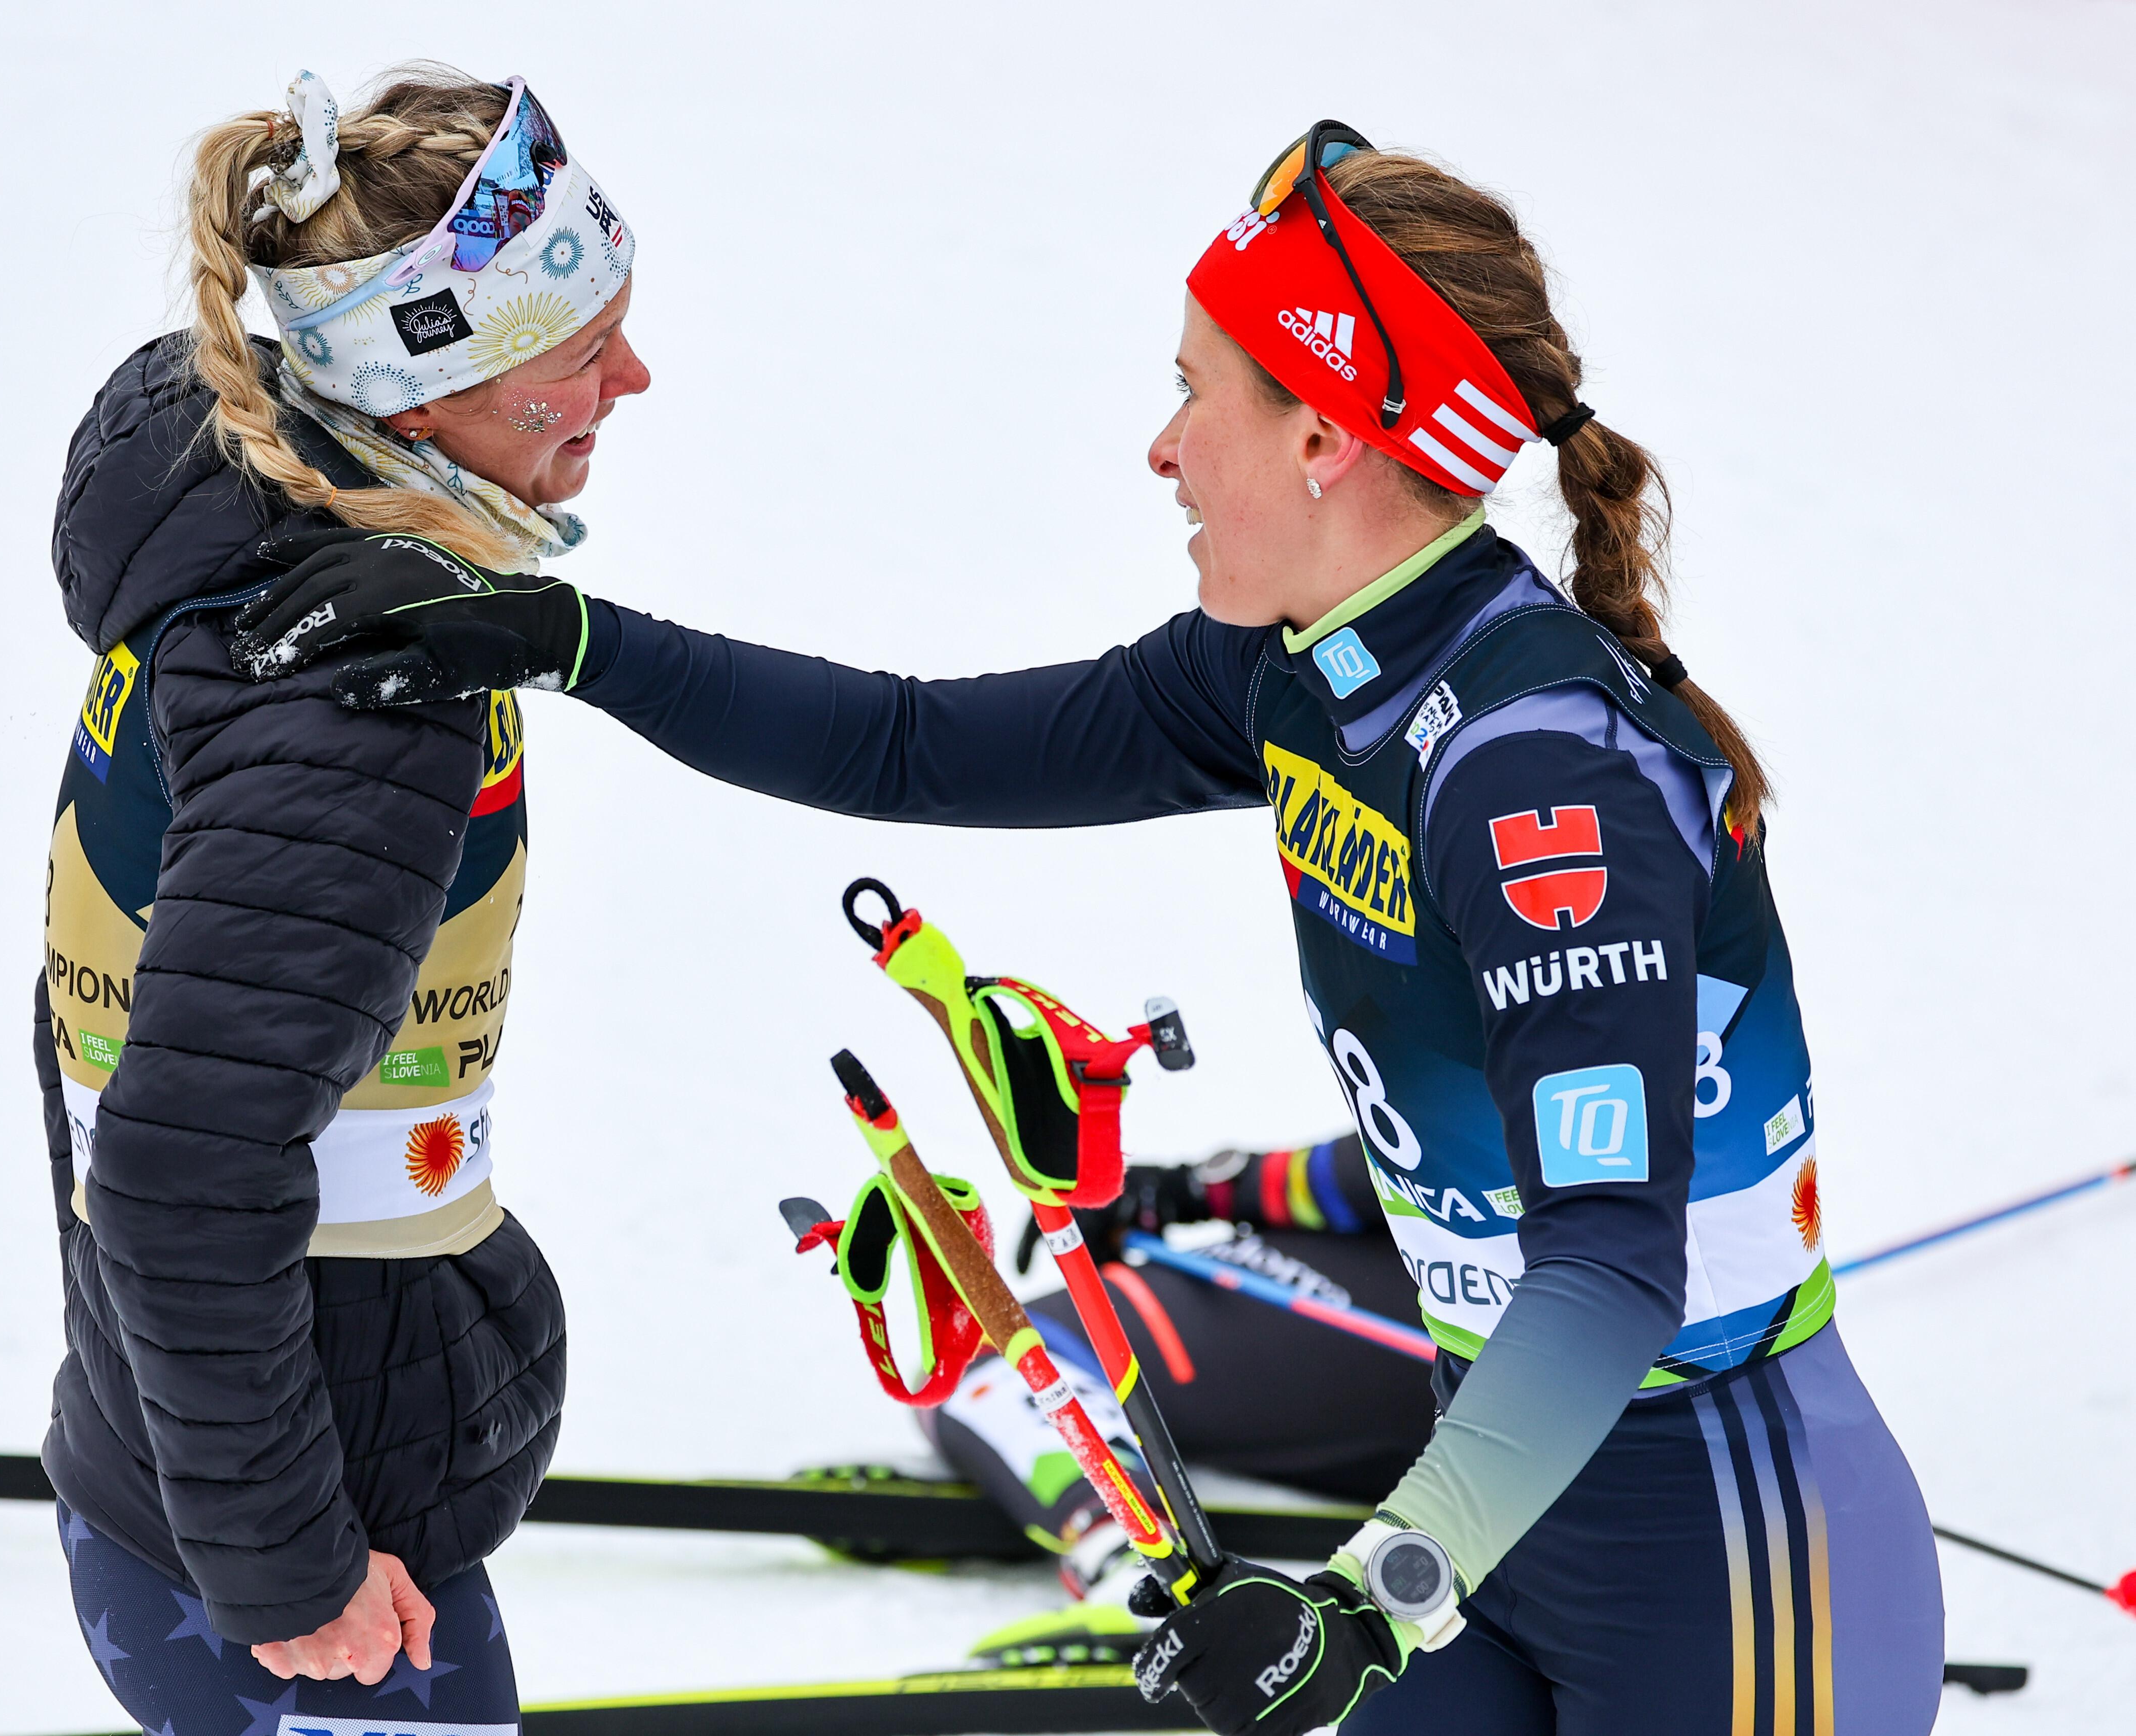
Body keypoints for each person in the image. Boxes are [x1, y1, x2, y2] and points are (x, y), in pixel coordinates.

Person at [233, 123, 1945, 1732]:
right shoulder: (1307, 671)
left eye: (1196, 393)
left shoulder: (1534, 779)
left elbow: (1611, 1270)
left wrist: (1367, 1595)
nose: (1163, 447)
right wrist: (562, 637)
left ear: (1325, 436)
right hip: (1500, 1502)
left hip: (1721, 1538)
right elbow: (909, 744)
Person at [35, 63, 646, 1734]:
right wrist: (288, 1567)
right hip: (305, 1565)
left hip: (197, 1465)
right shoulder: (348, 690)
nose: (633, 378)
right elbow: (176, 1168)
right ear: (423, 389)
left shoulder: (243, 527)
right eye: (581, 348)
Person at [919, 1137, 1434, 1609]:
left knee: (988, 1352)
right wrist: (1194, 1190)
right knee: (986, 1348)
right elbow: (1411, 1160)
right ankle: (1129, 1545)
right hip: (1379, 1287)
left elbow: (1423, 1158)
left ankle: (1134, 1559)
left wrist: (1210, 1188)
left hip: (1404, 1313)